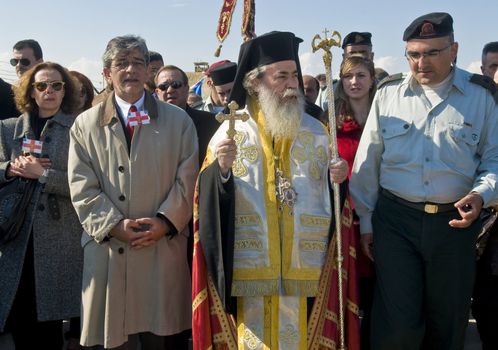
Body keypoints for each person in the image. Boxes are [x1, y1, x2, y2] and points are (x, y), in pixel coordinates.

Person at [192, 31, 349, 349]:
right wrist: (220, 173)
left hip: (307, 266)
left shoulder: (318, 132)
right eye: (281, 76)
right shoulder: (230, 130)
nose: (292, 83)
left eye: (294, 75)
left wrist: (341, 180)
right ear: (255, 82)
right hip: (250, 269)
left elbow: (336, 206)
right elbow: (206, 205)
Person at [350, 12, 498, 350]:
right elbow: (367, 161)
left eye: (432, 52)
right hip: (396, 222)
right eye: (414, 54)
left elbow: (494, 159)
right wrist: (368, 222)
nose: (421, 62)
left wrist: (481, 194)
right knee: (397, 327)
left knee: (447, 322)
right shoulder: (388, 93)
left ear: (454, 49)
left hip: (454, 225)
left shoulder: (482, 96)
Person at [68, 35, 198, 350]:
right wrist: (114, 226)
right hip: (110, 250)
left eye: (138, 63)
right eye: (121, 63)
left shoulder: (178, 121)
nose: (131, 70)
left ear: (148, 71)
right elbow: (81, 186)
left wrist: (165, 222)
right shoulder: (85, 125)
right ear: (106, 73)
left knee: (162, 339)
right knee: (115, 341)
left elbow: (189, 176)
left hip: (161, 249)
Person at [0, 62, 82, 350]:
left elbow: (86, 185)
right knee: (19, 318)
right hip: (16, 238)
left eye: (56, 85)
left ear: (64, 91)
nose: (49, 91)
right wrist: (10, 169)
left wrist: (43, 175)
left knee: (48, 325)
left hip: (59, 239)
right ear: (31, 91)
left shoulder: (78, 130)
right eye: (41, 85)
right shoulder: (7, 129)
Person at [334, 55, 377, 349]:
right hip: (346, 220)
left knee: (378, 295)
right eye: (348, 76)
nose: (354, 82)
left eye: (361, 75)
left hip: (381, 219)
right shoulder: (332, 125)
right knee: (349, 293)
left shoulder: (384, 118)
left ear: (372, 79)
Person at [471, 41, 498, 350]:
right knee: (487, 308)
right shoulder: (475, 107)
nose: (496, 73)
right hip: (483, 230)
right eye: (492, 66)